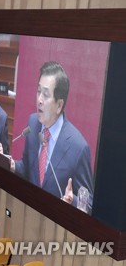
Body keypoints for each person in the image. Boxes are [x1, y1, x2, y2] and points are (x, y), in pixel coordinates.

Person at [11, 61, 93, 213]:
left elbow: (89, 203)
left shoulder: (78, 148)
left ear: (59, 105)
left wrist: (73, 200)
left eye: (46, 94)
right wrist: (12, 165)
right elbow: (28, 168)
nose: (39, 99)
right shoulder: (33, 122)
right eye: (38, 91)